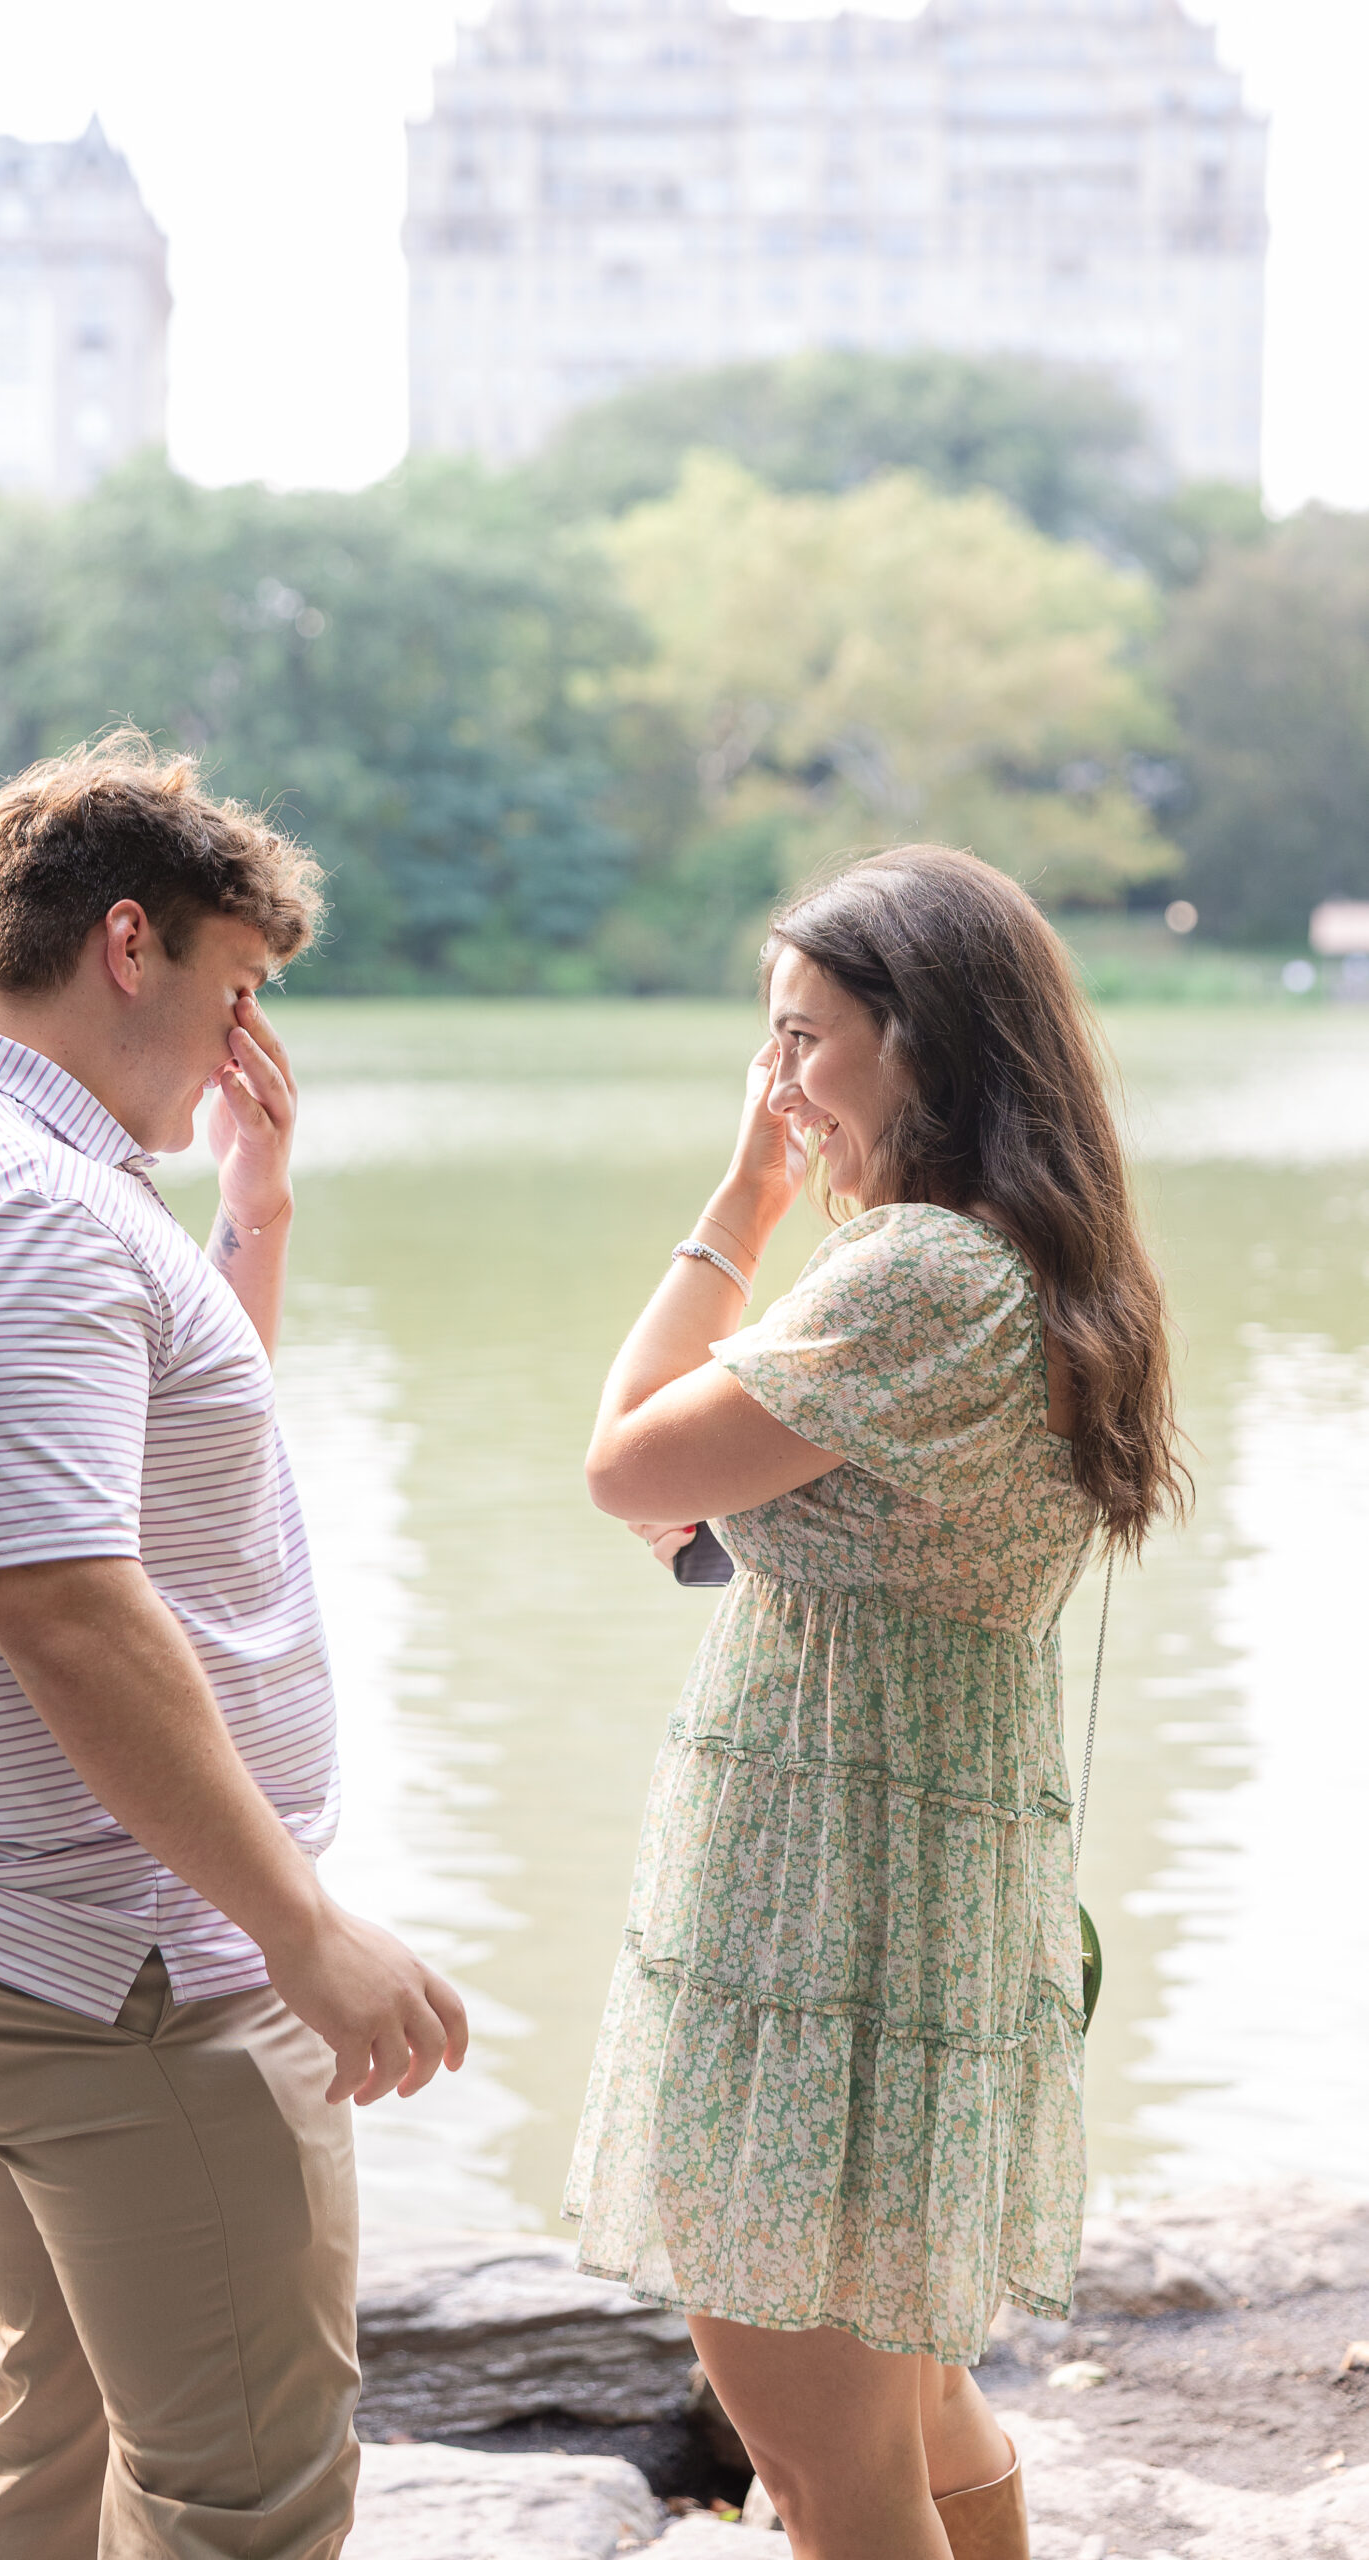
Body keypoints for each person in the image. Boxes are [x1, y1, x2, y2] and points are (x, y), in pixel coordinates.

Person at [0, 731, 468, 2560]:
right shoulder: (16, 1213)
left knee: (71, 2414)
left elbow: (158, 1468)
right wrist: (303, 1930)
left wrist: (251, 1210)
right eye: (235, 986)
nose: (241, 1037)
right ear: (131, 945)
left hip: (4, 1916)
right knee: (242, 2499)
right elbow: (66, 1612)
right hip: (125, 1966)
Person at [567, 846, 1187, 2560]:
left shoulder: (918, 1276)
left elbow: (624, 1461)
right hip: (915, 1907)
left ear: (917, 1039)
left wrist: (743, 1199)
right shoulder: (1051, 1268)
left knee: (823, 2456)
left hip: (816, 1917)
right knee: (912, 2407)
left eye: (802, 1041)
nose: (781, 1086)